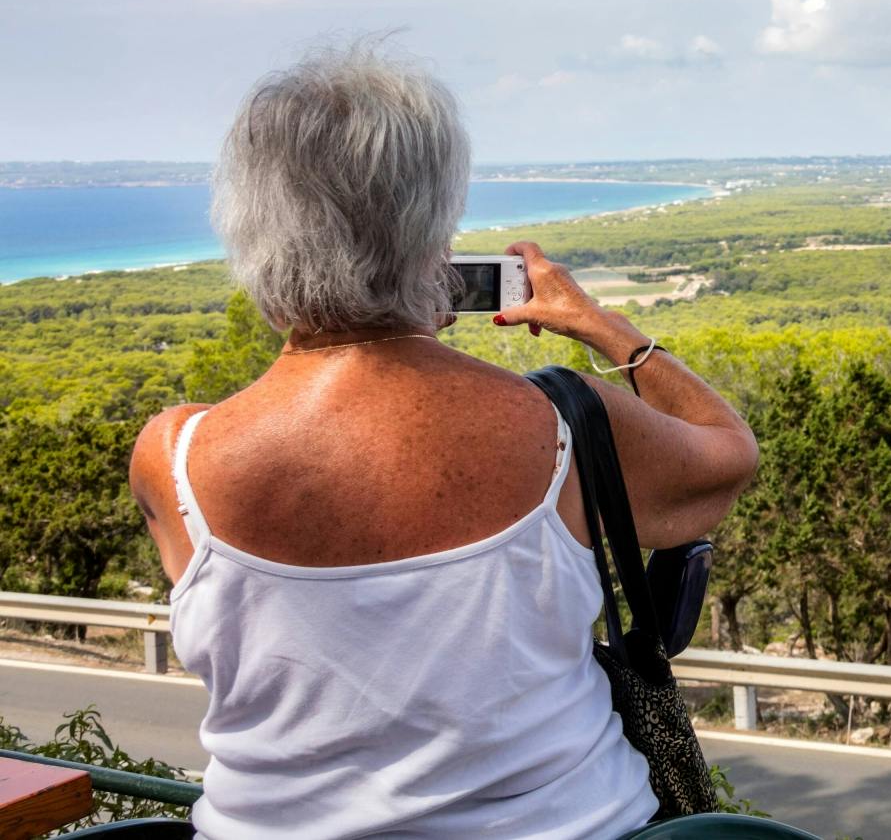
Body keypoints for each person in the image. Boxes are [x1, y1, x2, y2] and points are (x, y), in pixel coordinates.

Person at [128, 42, 759, 839]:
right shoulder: (566, 425)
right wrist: (608, 330)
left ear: (250, 231)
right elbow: (728, 454)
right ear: (437, 231)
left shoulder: (172, 457)